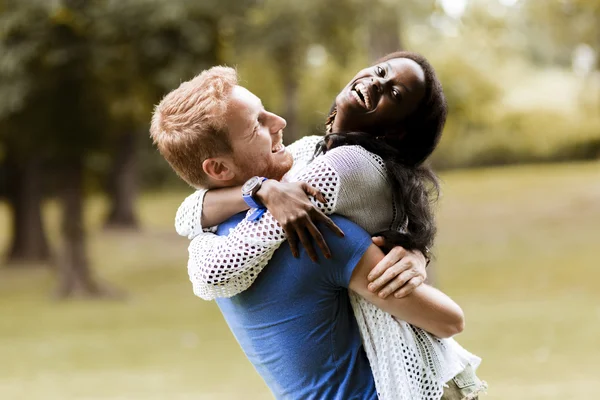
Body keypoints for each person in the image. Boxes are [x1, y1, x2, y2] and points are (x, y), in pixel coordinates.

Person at [152, 53, 485, 399]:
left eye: (395, 94)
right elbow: (192, 217)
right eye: (257, 125)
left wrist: (416, 250)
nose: (279, 120)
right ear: (218, 169)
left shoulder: (311, 202)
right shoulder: (311, 178)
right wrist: (258, 188)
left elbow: (202, 252)